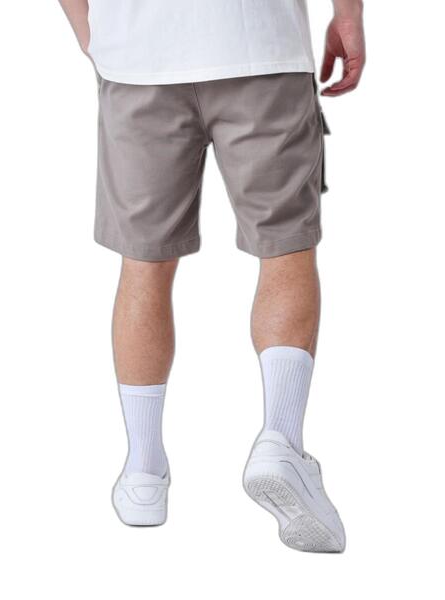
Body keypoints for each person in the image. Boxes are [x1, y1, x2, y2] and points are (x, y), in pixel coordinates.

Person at [59, 0, 365, 552]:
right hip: (261, 48)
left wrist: (91, 29)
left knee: (144, 264)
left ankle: (144, 473)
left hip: (138, 58)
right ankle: (280, 442)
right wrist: (348, 15)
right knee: (285, 249)